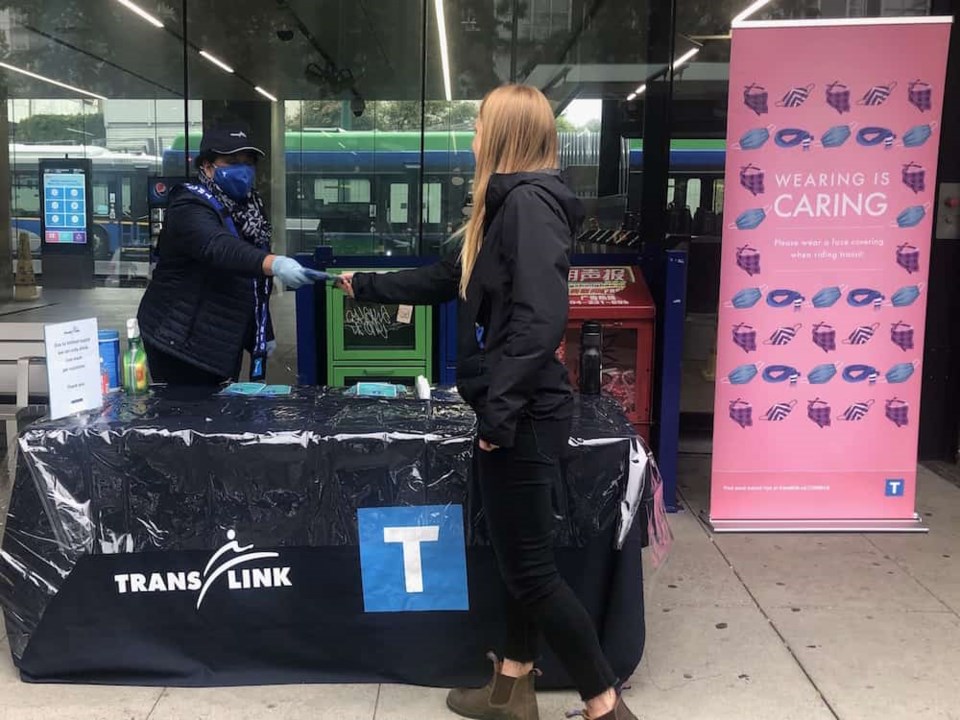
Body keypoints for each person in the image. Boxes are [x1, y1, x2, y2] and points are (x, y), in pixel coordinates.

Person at [337, 85, 638, 720]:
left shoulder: (528, 206)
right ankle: (511, 688)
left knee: (531, 571)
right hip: (516, 410)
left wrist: (499, 415)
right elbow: (449, 279)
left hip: (523, 415)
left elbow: (537, 320)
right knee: (516, 562)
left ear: (502, 135)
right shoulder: (503, 210)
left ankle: (605, 703)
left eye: (478, 125)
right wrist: (364, 284)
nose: (471, 135)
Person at [137, 121, 319, 385]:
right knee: (190, 418)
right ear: (207, 166)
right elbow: (218, 247)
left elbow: (253, 282)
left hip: (222, 337)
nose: (243, 170)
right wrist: (273, 262)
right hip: (178, 338)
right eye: (232, 161)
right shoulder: (189, 205)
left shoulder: (250, 207)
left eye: (248, 162)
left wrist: (262, 330)